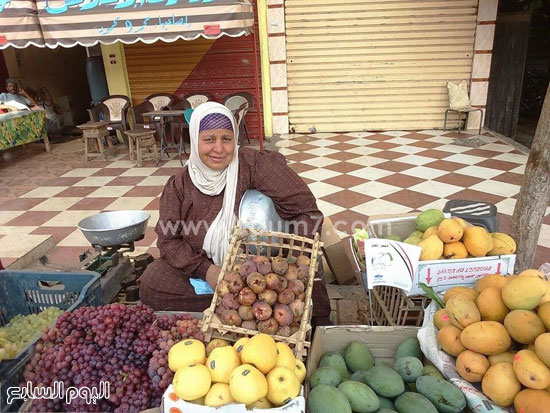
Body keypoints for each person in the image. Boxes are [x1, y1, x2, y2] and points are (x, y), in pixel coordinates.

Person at [139, 101, 324, 312]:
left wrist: (292, 263)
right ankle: (244, 306)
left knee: (309, 282)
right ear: (194, 140)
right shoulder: (180, 183)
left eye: (226, 139)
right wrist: (207, 271)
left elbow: (307, 211)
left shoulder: (253, 164)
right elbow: (168, 239)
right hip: (205, 268)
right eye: (209, 139)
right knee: (153, 283)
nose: (219, 149)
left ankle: (249, 305)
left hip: (266, 267)